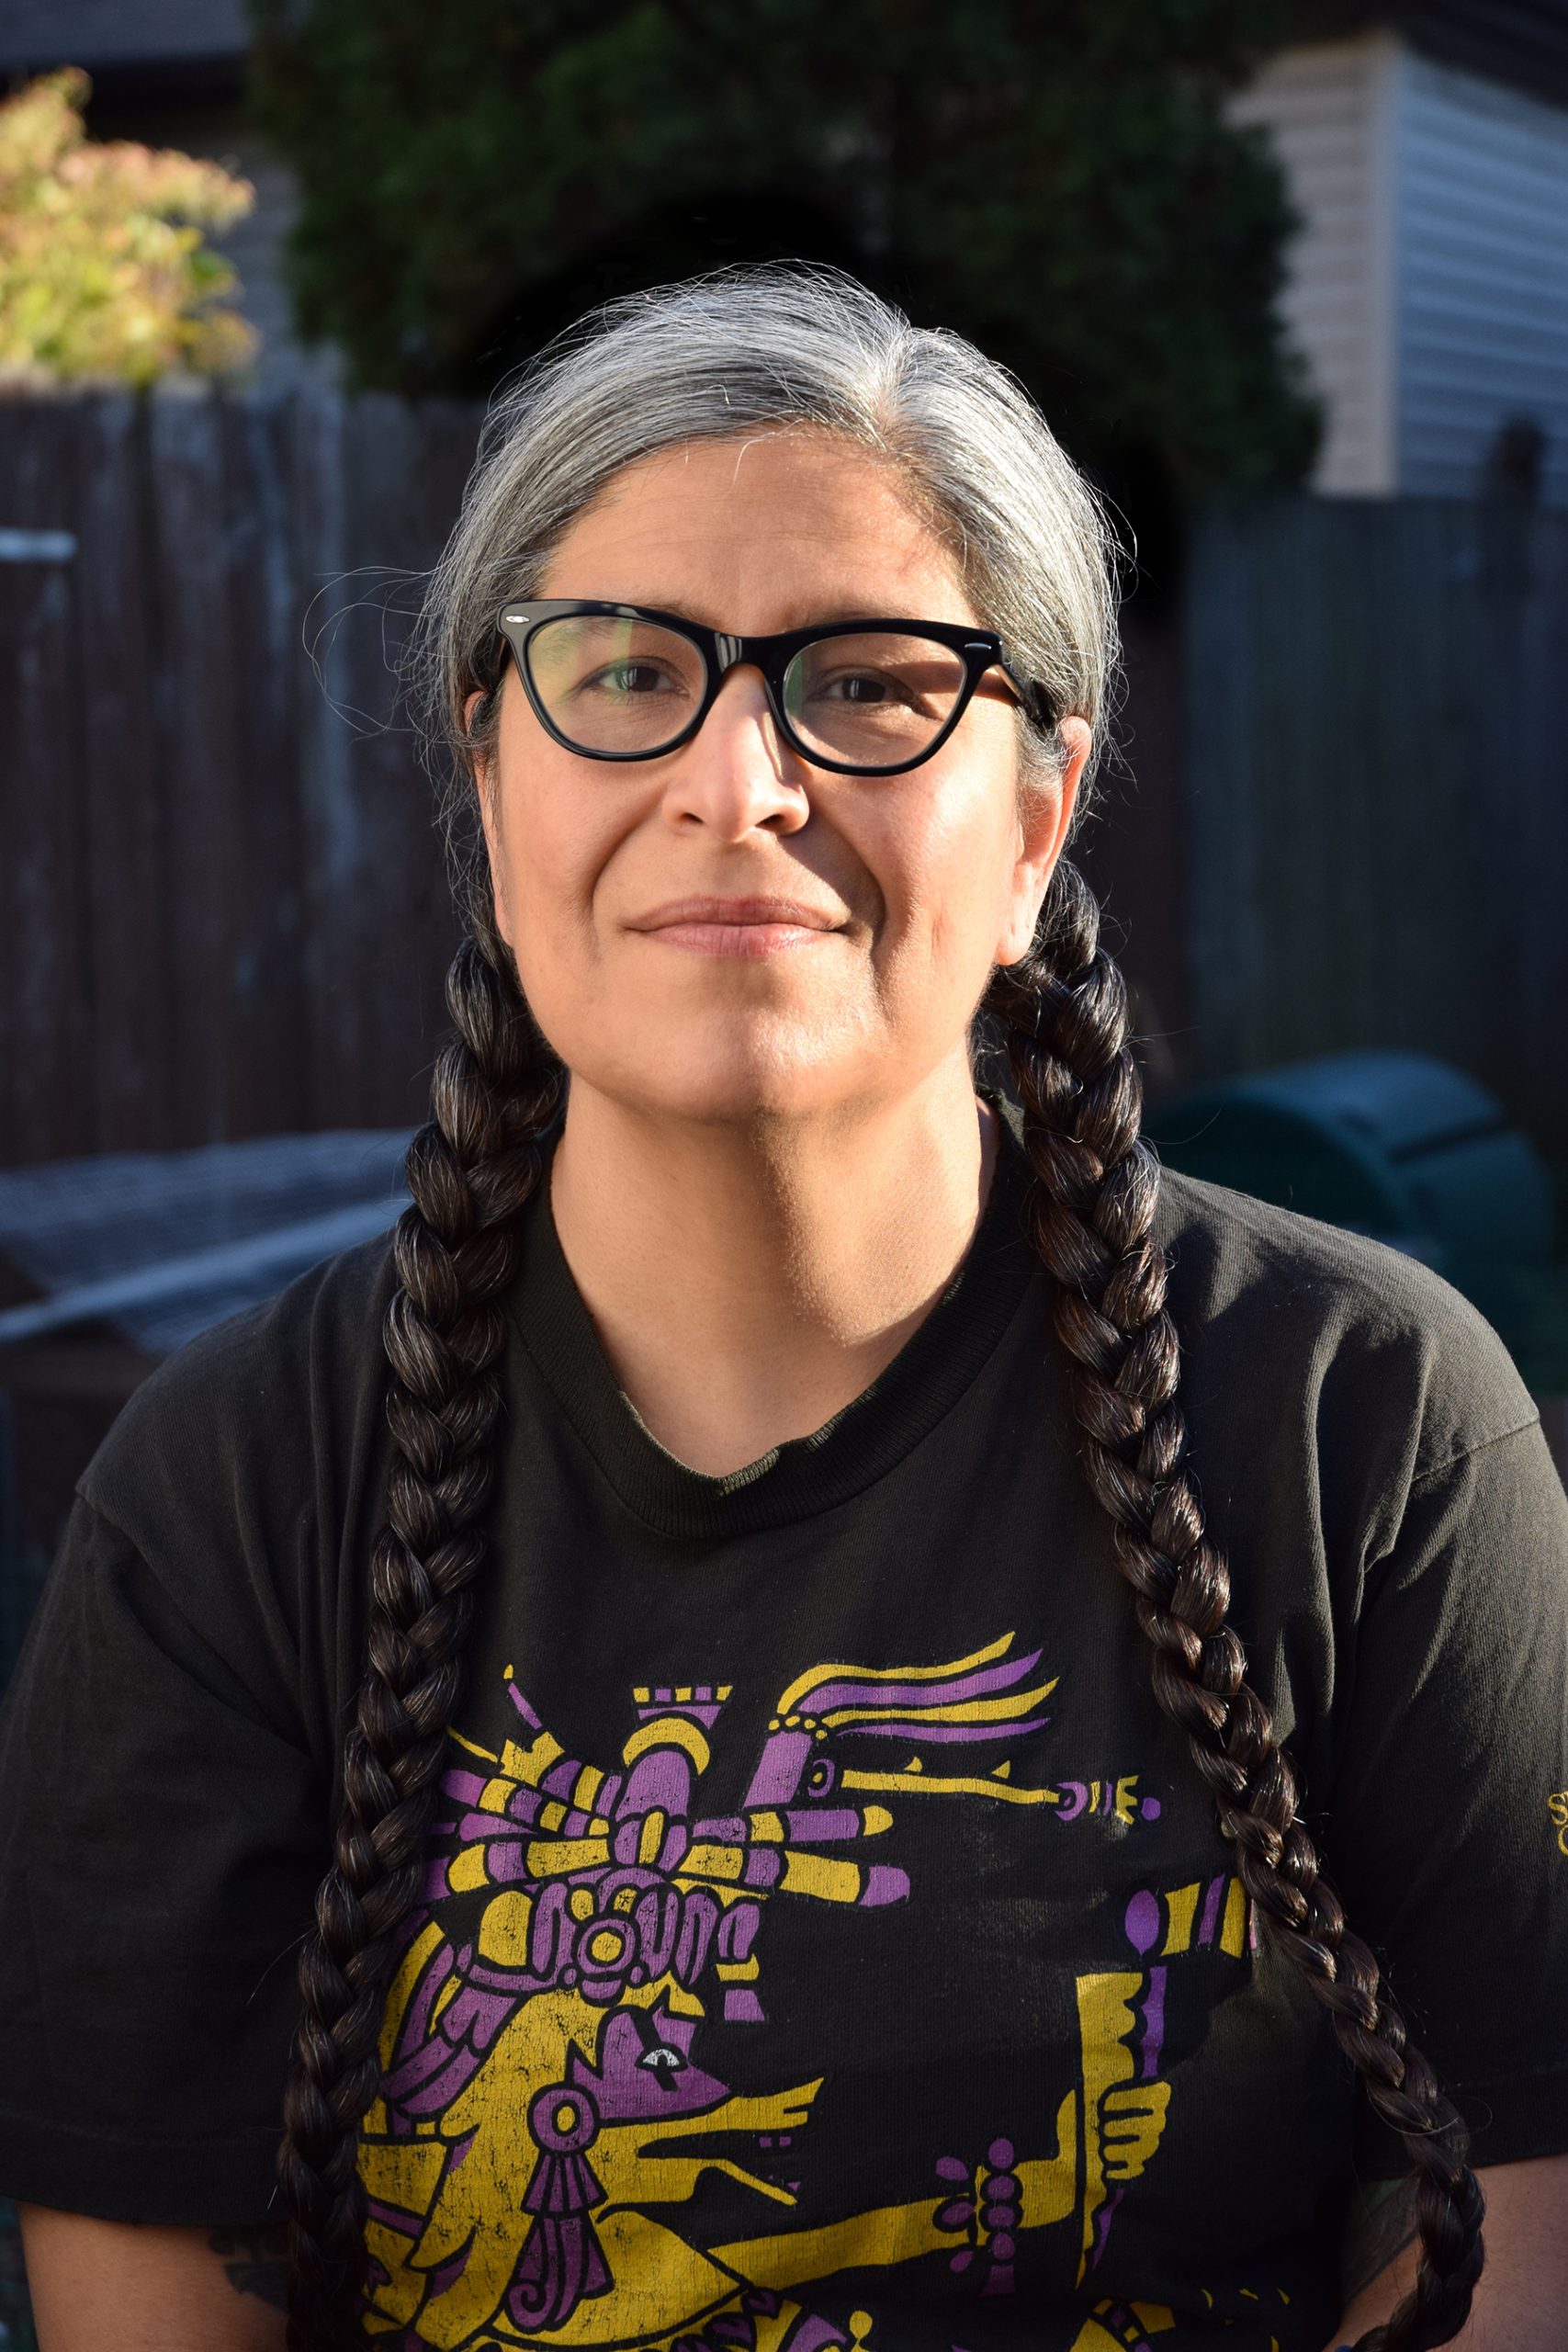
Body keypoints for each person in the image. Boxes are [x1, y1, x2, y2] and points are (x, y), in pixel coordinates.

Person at [1, 269, 1564, 2352]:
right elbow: (145, 2288)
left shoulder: (1357, 1421)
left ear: (1031, 817)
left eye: (864, 682)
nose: (734, 778)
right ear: (490, 779)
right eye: (623, 669)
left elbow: (1516, 2238)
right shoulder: (227, 1495)